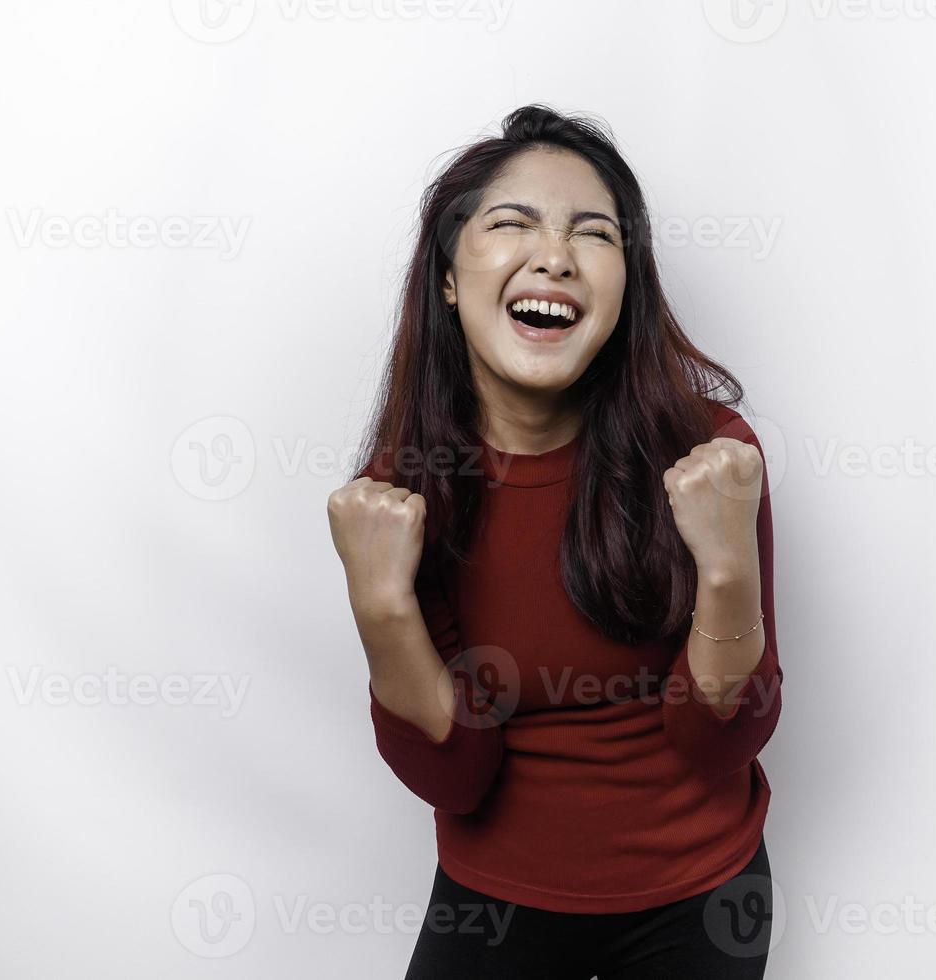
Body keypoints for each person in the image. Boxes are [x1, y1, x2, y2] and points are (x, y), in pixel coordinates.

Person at [327, 104, 783, 979]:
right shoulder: (403, 490)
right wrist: (382, 610)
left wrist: (727, 573)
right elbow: (456, 777)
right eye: (513, 223)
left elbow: (721, 741)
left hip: (701, 893)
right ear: (450, 278)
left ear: (626, 283)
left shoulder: (709, 456)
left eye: (594, 234)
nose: (555, 256)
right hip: (491, 901)